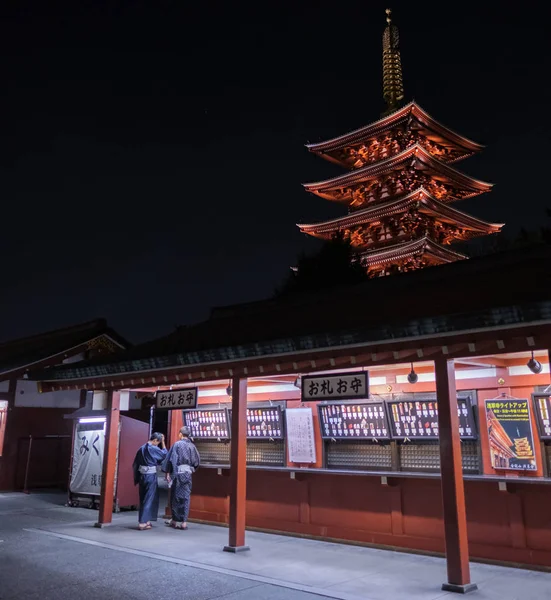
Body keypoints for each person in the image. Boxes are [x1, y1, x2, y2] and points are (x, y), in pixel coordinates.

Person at [162, 426, 200, 530]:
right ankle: (184, 522)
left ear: (180, 434)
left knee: (175, 497)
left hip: (178, 473)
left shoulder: (177, 445)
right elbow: (197, 461)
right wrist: (191, 469)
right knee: (186, 497)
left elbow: (171, 459)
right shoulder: (192, 446)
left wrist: (169, 472)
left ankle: (174, 521)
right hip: (187, 474)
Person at [132, 432, 167, 531]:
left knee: (143, 498)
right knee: (149, 498)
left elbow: (135, 463)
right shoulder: (153, 448)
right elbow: (164, 455)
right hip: (150, 475)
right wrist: (163, 443)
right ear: (155, 440)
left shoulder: (141, 448)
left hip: (142, 475)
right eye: (158, 442)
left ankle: (146, 520)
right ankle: (143, 522)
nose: (158, 444)